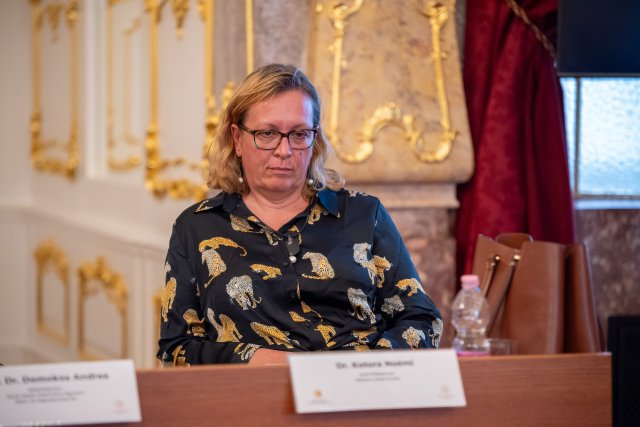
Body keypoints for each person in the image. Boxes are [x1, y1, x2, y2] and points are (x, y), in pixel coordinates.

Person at [157, 63, 442, 366]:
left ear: (314, 140)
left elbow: (421, 319)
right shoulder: (196, 227)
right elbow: (177, 348)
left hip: (356, 387)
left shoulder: (364, 214)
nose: (284, 150)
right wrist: (254, 358)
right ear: (238, 139)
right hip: (254, 389)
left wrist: (365, 369)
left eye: (299, 134)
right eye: (267, 134)